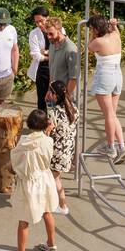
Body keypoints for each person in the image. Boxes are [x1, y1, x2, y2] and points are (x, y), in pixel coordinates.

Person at [5, 109, 60, 251]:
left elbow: (15, 165)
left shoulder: (23, 142)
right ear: (45, 125)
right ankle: (51, 244)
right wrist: (47, 132)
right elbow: (45, 146)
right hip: (45, 179)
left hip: (28, 183)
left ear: (29, 123)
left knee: (24, 220)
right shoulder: (48, 140)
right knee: (47, 211)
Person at [88, 13, 125, 162]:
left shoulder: (99, 41)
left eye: (92, 28)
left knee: (109, 115)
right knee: (112, 113)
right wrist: (114, 25)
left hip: (105, 76)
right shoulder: (116, 35)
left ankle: (111, 147)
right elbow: (114, 29)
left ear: (96, 28)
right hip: (118, 75)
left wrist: (93, 33)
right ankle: (121, 146)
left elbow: (90, 46)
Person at [45, 79, 76, 214]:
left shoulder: (54, 112)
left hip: (57, 152)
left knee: (55, 178)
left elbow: (49, 129)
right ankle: (57, 202)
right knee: (57, 176)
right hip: (67, 150)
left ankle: (63, 206)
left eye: (50, 91)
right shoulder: (74, 109)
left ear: (55, 95)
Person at [46, 16, 79, 107]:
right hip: (54, 95)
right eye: (47, 34)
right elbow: (51, 70)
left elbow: (74, 78)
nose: (48, 37)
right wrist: (49, 90)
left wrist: (65, 98)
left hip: (67, 98)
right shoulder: (52, 45)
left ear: (59, 31)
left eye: (51, 34)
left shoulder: (70, 49)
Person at [26, 7, 51, 107]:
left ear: (47, 18)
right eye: (37, 22)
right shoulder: (34, 34)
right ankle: (42, 121)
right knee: (42, 99)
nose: (39, 24)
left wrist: (45, 52)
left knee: (56, 97)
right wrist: (50, 56)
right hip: (42, 69)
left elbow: (62, 48)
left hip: (57, 68)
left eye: (41, 21)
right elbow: (36, 54)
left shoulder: (60, 29)